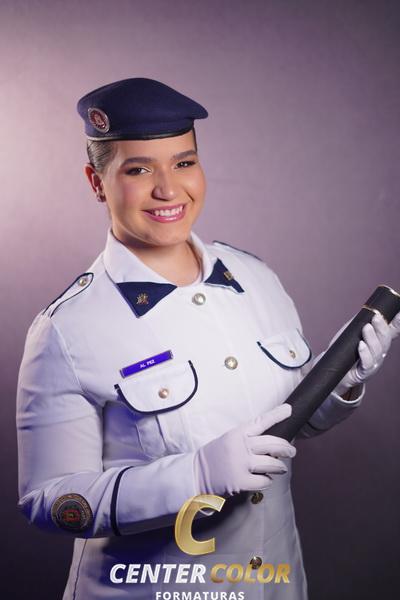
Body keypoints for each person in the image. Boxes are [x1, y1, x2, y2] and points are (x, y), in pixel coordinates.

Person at [16, 77, 400, 600]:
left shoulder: (255, 278)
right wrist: (194, 476)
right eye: (138, 169)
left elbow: (287, 427)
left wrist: (340, 382)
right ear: (96, 181)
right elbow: (52, 502)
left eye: (184, 162)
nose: (168, 189)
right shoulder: (66, 329)